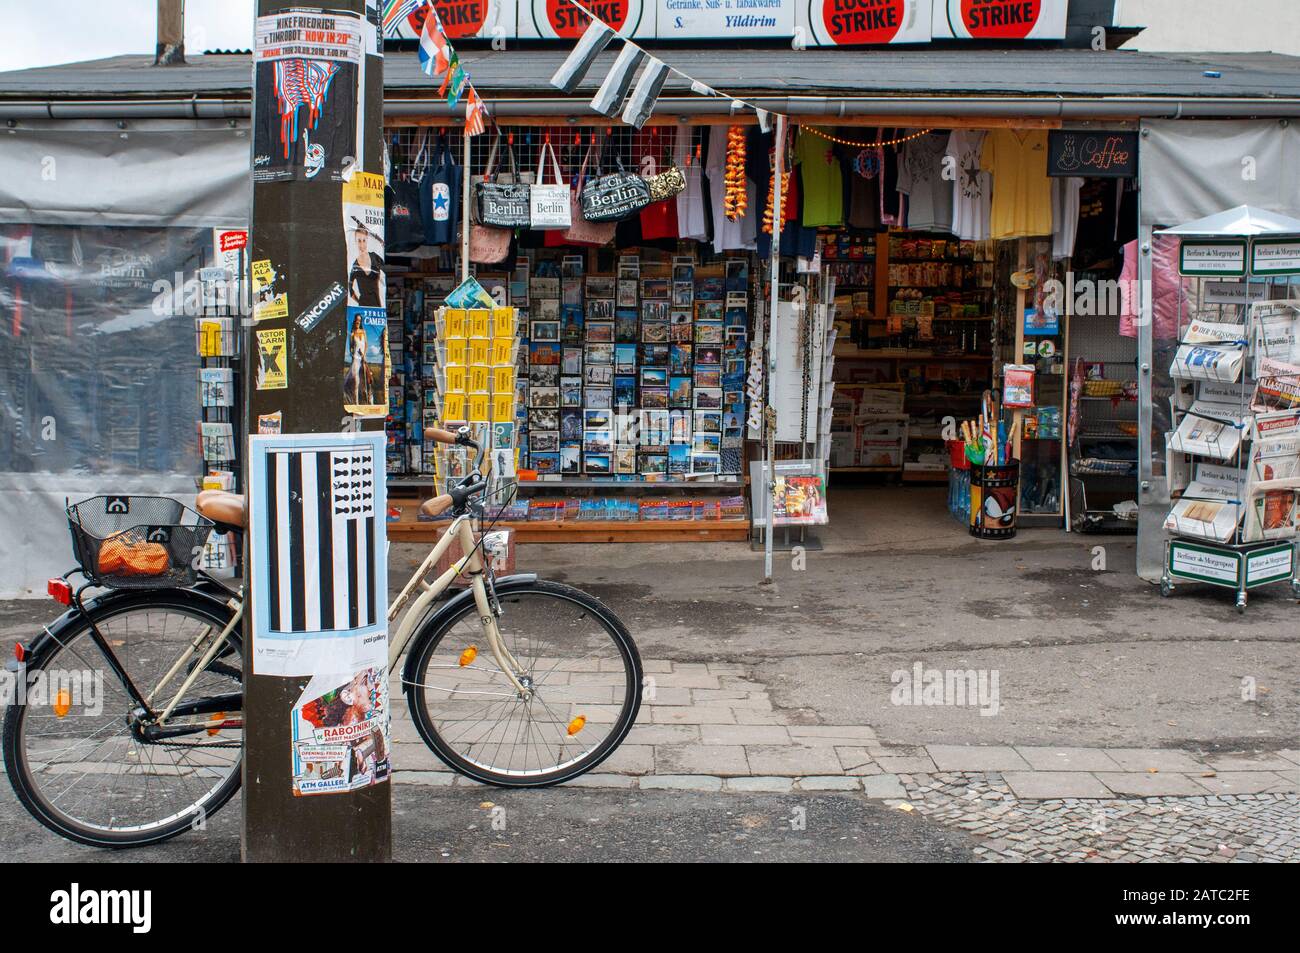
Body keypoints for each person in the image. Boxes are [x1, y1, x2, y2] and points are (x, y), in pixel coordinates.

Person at [347, 219, 384, 308]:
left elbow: (386, 271)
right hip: (362, 307)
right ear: (355, 241)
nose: (362, 244)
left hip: (377, 306)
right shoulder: (355, 266)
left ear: (367, 240)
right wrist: (359, 301)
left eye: (364, 240)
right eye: (359, 240)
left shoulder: (375, 257)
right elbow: (350, 289)